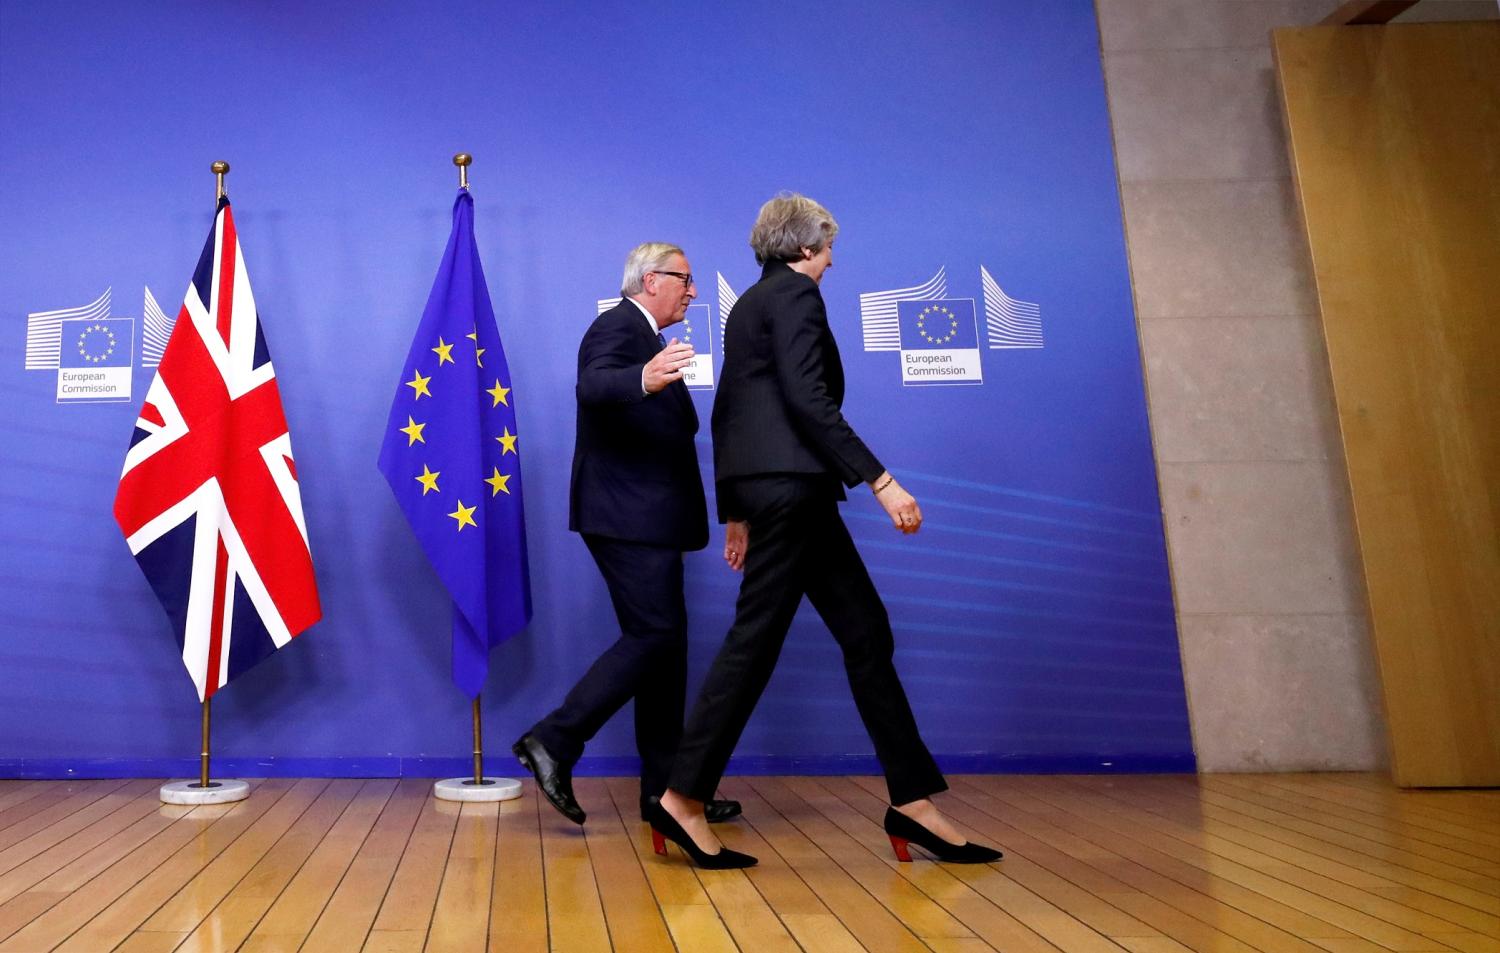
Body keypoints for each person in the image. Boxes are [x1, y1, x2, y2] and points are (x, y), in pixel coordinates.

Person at [645, 195, 1003, 869]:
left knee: (865, 632)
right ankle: (683, 797)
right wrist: (880, 478)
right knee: (754, 643)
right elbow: (809, 402)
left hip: (778, 493)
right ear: (805, 248)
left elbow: (729, 411)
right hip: (794, 492)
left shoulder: (751, 304)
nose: (834, 259)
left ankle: (913, 801)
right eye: (829, 247)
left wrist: (735, 508)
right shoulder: (799, 299)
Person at [512, 243, 740, 827]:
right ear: (649, 281)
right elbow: (593, 386)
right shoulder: (617, 326)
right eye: (684, 279)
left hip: (650, 519)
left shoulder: (650, 338)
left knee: (667, 652)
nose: (693, 291)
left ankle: (666, 795)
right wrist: (643, 376)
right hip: (627, 517)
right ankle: (555, 740)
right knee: (656, 636)